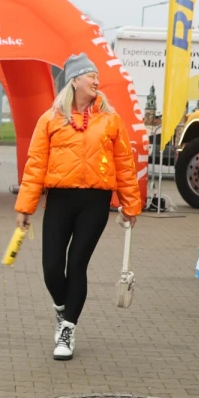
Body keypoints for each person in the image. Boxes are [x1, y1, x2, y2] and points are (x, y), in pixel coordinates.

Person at [16, 54, 141, 361]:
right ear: (74, 80)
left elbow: (124, 164)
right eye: (90, 76)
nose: (96, 81)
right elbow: (35, 166)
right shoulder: (50, 119)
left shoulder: (110, 120)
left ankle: (68, 329)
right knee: (52, 269)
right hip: (59, 200)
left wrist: (130, 205)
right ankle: (62, 309)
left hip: (94, 204)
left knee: (77, 265)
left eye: (97, 76)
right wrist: (25, 207)